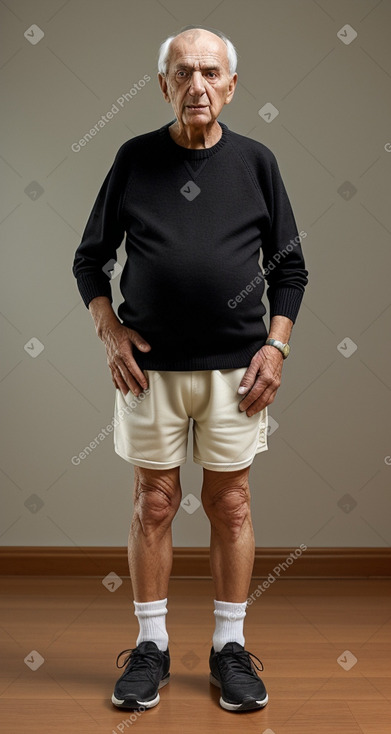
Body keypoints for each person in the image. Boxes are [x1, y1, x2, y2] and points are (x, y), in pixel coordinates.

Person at [72, 25, 308, 714]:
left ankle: (229, 649)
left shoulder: (256, 162)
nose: (197, 84)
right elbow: (90, 259)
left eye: (210, 72)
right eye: (183, 72)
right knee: (154, 502)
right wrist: (109, 331)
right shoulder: (133, 159)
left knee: (229, 504)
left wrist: (276, 346)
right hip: (150, 371)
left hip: (237, 370)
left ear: (230, 86)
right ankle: (150, 647)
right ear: (164, 85)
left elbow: (288, 267)